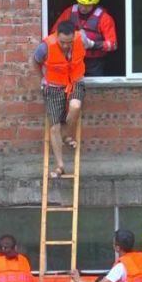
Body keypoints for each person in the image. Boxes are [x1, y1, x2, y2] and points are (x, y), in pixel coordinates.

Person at [31, 20, 88, 179]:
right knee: (54, 127)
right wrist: (42, 78)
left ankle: (66, 135)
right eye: (62, 42)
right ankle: (60, 165)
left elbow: (92, 45)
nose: (65, 46)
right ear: (57, 36)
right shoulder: (46, 46)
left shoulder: (80, 39)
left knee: (75, 107)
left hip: (75, 81)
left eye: (69, 42)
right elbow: (35, 61)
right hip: (54, 86)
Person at [51, 0, 118, 77]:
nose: (82, 8)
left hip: (94, 63)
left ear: (94, 4)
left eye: (87, 5)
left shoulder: (104, 19)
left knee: (96, 88)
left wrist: (92, 44)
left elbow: (113, 44)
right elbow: (54, 33)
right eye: (80, 4)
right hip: (72, 59)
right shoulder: (69, 12)